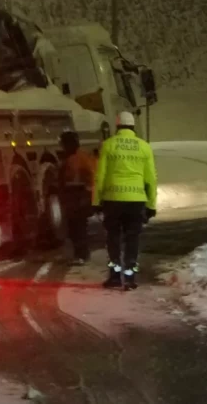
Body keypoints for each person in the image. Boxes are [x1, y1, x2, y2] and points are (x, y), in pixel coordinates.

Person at [92, 111, 157, 290]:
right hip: (136, 201)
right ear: (133, 126)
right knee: (132, 238)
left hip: (113, 200)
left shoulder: (108, 145)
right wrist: (151, 204)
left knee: (113, 237)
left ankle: (114, 275)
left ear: (117, 126)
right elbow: (151, 178)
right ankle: (130, 276)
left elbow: (100, 176)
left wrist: (96, 201)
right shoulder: (144, 147)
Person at [58, 131, 98, 265]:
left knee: (78, 228)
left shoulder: (78, 159)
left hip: (79, 199)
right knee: (75, 228)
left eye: (64, 143)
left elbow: (89, 179)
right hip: (75, 199)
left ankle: (82, 254)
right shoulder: (77, 157)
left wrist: (86, 196)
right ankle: (80, 254)